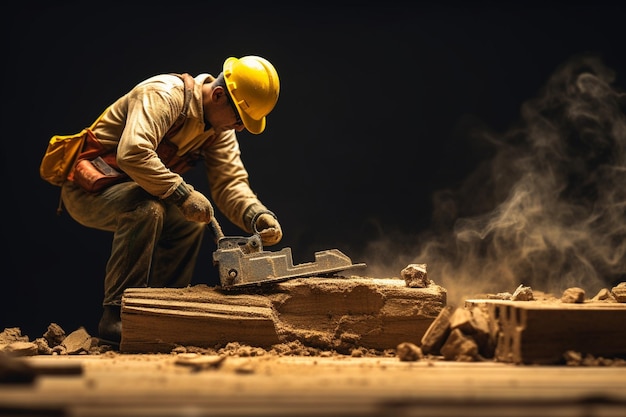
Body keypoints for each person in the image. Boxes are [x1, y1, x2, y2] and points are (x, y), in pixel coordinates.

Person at [60, 55, 283, 345]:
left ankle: (163, 308)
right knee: (147, 209)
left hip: (139, 190)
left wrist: (256, 215)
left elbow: (230, 183)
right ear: (218, 96)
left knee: (189, 222)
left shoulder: (217, 129)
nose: (240, 128)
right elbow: (132, 152)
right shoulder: (163, 94)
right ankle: (117, 317)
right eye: (240, 119)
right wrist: (182, 193)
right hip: (88, 192)